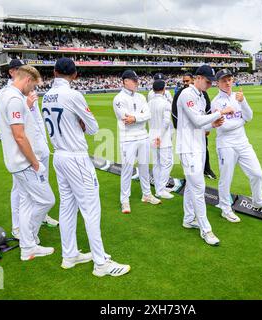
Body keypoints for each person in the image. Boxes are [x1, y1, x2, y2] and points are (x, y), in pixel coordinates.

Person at [42, 58, 130, 277]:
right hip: (75, 157)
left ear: (54, 72)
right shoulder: (73, 95)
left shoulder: (45, 96)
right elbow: (93, 128)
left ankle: (69, 255)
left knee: (67, 206)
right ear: (75, 75)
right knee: (91, 209)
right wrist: (80, 122)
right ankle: (101, 263)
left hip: (59, 156)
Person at [0, 65, 56, 261]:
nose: (33, 91)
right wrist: (34, 162)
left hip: (16, 161)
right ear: (27, 80)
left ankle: (28, 246)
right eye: (33, 86)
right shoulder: (14, 99)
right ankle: (28, 239)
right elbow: (19, 136)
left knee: (26, 203)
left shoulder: (5, 94)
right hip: (24, 162)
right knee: (47, 200)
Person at [211, 69, 262, 223]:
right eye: (224, 80)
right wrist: (241, 121)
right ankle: (225, 209)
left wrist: (242, 102)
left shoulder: (238, 96)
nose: (227, 83)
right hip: (226, 144)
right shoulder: (215, 102)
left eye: (229, 79)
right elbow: (224, 127)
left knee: (257, 173)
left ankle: (258, 200)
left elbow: (249, 116)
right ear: (218, 83)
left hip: (243, 142)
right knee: (226, 179)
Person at [176, 65, 233, 246]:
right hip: (188, 148)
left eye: (211, 82)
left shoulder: (200, 96)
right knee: (199, 188)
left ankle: (188, 218)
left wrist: (213, 124)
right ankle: (206, 230)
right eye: (208, 81)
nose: (210, 85)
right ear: (198, 78)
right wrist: (219, 112)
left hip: (199, 147)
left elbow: (201, 125)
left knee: (193, 186)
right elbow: (197, 120)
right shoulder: (187, 94)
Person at [6, 59, 59, 240]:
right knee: (20, 192)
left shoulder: (27, 90)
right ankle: (18, 227)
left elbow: (36, 121)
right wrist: (27, 105)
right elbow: (18, 131)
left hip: (39, 146)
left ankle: (41, 217)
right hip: (26, 154)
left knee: (42, 184)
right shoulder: (9, 94)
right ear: (13, 72)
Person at [113, 69, 161, 214]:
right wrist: (138, 117)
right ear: (125, 81)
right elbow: (125, 118)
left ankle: (146, 194)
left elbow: (148, 114)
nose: (136, 83)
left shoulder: (141, 97)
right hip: (128, 138)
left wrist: (135, 118)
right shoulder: (118, 98)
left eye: (137, 80)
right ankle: (124, 200)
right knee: (127, 170)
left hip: (143, 136)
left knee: (145, 167)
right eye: (134, 80)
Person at [172, 72, 217, 180]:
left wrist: (208, 125)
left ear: (192, 79)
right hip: (188, 140)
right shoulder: (183, 93)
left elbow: (207, 111)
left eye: (187, 81)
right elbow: (174, 113)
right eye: (184, 81)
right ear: (198, 78)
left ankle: (207, 169)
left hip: (199, 134)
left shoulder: (202, 94)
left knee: (204, 149)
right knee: (198, 185)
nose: (185, 83)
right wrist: (179, 127)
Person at [148, 79, 174, 199]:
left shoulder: (149, 103)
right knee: (167, 163)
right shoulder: (166, 103)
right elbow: (166, 122)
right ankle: (161, 189)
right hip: (162, 138)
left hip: (152, 135)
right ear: (164, 90)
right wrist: (160, 136)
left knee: (157, 163)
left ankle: (159, 187)